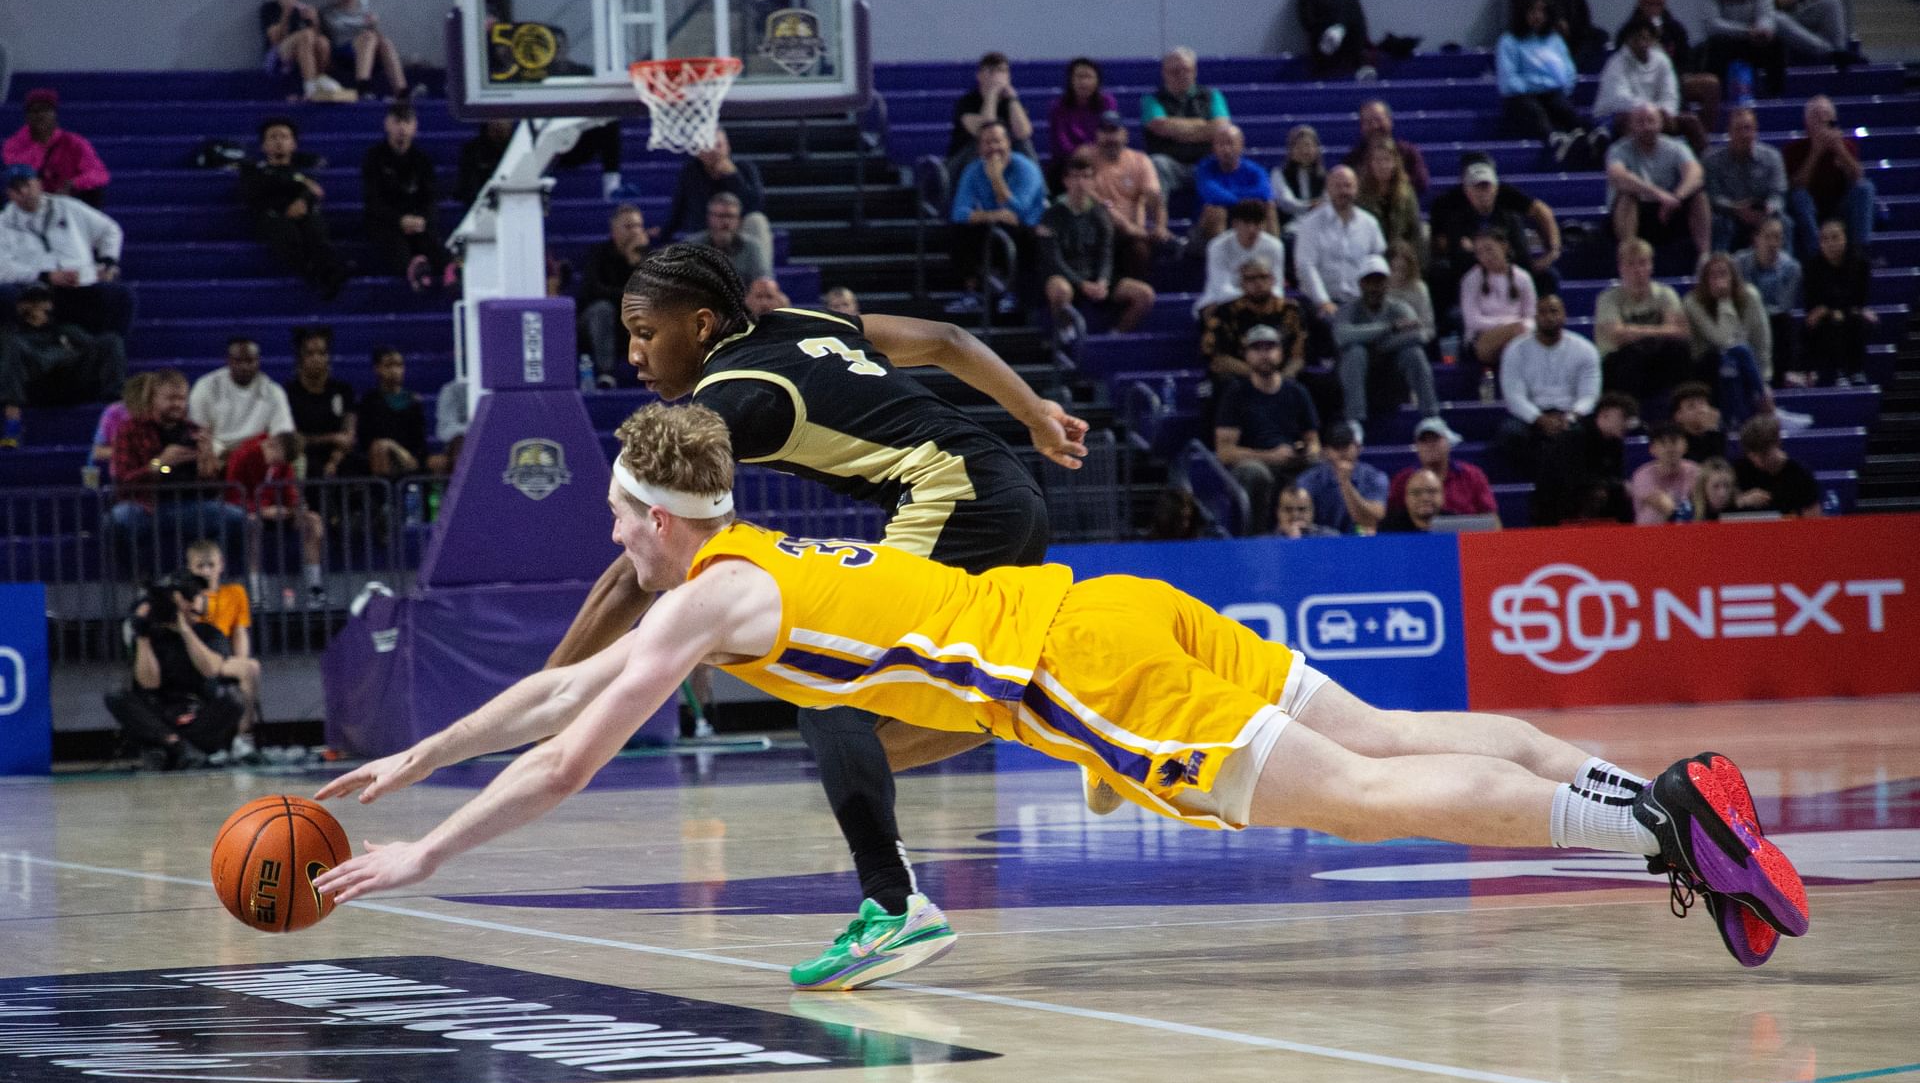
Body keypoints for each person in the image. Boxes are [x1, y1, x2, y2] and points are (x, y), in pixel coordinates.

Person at [316, 401, 1811, 975]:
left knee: (1359, 797)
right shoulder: (740, 559)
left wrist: (427, 855)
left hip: (1070, 672)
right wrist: (417, 754)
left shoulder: (708, 596)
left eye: (616, 520)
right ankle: (1665, 795)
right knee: (1396, 727)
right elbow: (552, 694)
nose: (610, 539)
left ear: (658, 516)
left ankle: (1674, 836)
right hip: (1103, 604)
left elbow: (575, 749)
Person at [537, 243, 1088, 991]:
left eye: (643, 332)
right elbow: (949, 343)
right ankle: (1082, 731)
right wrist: (1038, 414)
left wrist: (550, 687)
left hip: (949, 502)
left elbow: (642, 568)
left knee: (831, 691)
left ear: (700, 324)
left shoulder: (732, 399)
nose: (630, 353)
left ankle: (895, 907)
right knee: (935, 703)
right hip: (1010, 488)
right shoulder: (800, 320)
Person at [108, 369, 249, 569]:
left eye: (182, 398)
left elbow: (207, 487)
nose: (177, 404)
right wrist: (160, 464)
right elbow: (123, 481)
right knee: (116, 520)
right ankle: (135, 586)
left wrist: (208, 471)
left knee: (237, 518)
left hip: (189, 504)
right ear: (153, 398)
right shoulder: (130, 429)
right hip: (146, 505)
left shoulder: (194, 432)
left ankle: (214, 583)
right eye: (170, 398)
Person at [107, 571, 244, 772]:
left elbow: (211, 670)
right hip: (160, 715)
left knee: (234, 699)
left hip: (199, 714)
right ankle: (177, 745)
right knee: (116, 695)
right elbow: (149, 683)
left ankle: (176, 750)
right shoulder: (151, 635)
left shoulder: (208, 633)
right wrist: (143, 635)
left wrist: (185, 630)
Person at [0, 164, 133, 337]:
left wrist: (107, 262)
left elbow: (110, 230)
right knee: (5, 295)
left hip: (80, 284)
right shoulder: (3, 223)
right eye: (16, 189)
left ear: (39, 184)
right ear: (9, 195)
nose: (24, 192)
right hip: (35, 290)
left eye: (27, 184)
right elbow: (4, 269)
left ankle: (109, 353)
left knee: (121, 295)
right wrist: (46, 276)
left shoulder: (68, 207)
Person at [1214, 324, 1320, 533]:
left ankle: (1326, 538)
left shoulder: (1297, 392)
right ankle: (1256, 541)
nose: (1264, 355)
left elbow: (1314, 441)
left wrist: (1305, 452)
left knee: (1327, 471)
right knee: (1256, 473)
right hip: (1255, 463)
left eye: (1270, 348)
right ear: (1246, 355)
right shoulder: (1236, 393)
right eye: (1257, 349)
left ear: (1280, 353)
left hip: (1292, 462)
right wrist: (1271, 456)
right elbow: (1225, 453)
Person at [1038, 155, 1154, 343]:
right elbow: (1053, 259)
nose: (1081, 182)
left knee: (1144, 294)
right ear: (1066, 181)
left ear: (1093, 181)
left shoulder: (1100, 215)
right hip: (1068, 276)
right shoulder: (1052, 215)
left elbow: (1106, 253)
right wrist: (1080, 283)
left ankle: (1116, 336)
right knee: (1059, 289)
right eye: (1075, 177)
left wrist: (1103, 280)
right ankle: (1067, 336)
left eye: (1086, 177)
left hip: (1095, 276)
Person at [1426, 155, 1562, 313]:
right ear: (1467, 190)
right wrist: (1492, 254)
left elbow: (1522, 255)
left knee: (1548, 276)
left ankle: (1541, 320)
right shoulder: (1454, 215)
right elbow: (1455, 255)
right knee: (1439, 273)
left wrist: (1553, 249)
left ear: (1496, 188)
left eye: (1487, 187)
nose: (1483, 193)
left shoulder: (1510, 215)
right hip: (1470, 275)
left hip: (1509, 271)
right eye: (1477, 187)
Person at [0, 283, 126, 447]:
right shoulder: (11, 336)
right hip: (35, 388)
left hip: (69, 383)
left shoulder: (64, 330)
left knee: (111, 341)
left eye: (41, 301)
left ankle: (114, 413)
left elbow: (92, 349)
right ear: (20, 306)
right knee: (15, 349)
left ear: (50, 304)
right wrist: (62, 353)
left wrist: (66, 353)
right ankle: (12, 423)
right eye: (31, 302)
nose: (36, 307)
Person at [240, 118, 350, 300]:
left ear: (293, 144)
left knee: (315, 228)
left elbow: (315, 192)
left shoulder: (305, 170)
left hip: (303, 216)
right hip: (274, 218)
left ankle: (331, 272)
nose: (279, 141)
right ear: (263, 146)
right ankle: (317, 274)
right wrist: (296, 193)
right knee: (287, 233)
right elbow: (257, 194)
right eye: (273, 137)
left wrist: (303, 199)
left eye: (284, 136)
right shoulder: (255, 171)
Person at [1332, 254, 1437, 440]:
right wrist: (1390, 328)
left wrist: (1378, 346)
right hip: (1358, 377)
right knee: (1355, 352)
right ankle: (1354, 422)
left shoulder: (1399, 308)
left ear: (1387, 284)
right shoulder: (1349, 310)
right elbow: (1342, 336)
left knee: (1415, 353)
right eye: (1369, 282)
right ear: (1361, 284)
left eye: (1379, 282)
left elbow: (1418, 335)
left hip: (1392, 377)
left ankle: (1432, 418)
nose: (1374, 288)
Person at [947, 122, 1046, 315]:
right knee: (959, 230)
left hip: (1028, 229)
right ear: (980, 147)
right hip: (994, 224)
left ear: (1008, 143)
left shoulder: (1026, 169)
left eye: (997, 141)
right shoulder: (973, 170)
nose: (993, 147)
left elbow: (1020, 213)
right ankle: (972, 293)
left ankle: (1014, 293)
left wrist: (997, 180)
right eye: (987, 142)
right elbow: (959, 212)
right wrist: (994, 214)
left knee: (1020, 234)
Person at [225, 429, 328, 607]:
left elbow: (289, 492)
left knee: (313, 521)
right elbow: (232, 495)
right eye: (276, 460)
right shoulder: (243, 455)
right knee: (253, 524)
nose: (276, 464)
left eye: (281, 463)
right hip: (248, 511)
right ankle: (257, 595)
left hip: (277, 511)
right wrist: (262, 510)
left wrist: (295, 507)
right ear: (272, 444)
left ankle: (315, 589)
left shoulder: (283, 463)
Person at [1498, 293, 1600, 471]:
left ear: (1564, 315)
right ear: (1535, 317)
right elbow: (1514, 397)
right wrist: (1539, 419)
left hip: (1571, 414)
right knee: (1510, 434)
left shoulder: (1585, 349)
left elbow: (1589, 396)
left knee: (1589, 433)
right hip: (1531, 415)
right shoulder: (1515, 350)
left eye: (1554, 311)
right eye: (1543, 312)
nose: (1549, 317)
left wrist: (1570, 417)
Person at [184, 538, 265, 762]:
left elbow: (239, 631)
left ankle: (241, 737)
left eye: (211, 565)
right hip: (196, 656)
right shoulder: (188, 596)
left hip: (222, 656)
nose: (207, 571)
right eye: (200, 566)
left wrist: (241, 661)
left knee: (251, 667)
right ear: (190, 567)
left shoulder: (235, 593)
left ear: (221, 564)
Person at [1606, 103, 1711, 264]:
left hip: (1669, 212)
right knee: (1627, 196)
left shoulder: (1676, 147)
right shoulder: (1618, 150)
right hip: (1639, 214)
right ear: (1631, 125)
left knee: (1698, 194)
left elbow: (1695, 173)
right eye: (1640, 122)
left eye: (1651, 120)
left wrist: (1677, 196)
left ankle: (1704, 257)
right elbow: (1618, 176)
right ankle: (1629, 257)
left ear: (1661, 123)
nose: (1646, 127)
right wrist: (1658, 194)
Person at [1595, 239, 1693, 409]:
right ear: (1621, 268)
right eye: (1631, 264)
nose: (1637, 270)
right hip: (1620, 365)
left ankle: (1681, 409)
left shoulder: (1665, 294)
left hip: (1655, 362)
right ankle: (1630, 414)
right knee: (1630, 355)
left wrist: (1635, 332)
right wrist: (1660, 331)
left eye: (1643, 263)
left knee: (1679, 350)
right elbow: (1617, 336)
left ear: (1651, 266)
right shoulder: (1608, 298)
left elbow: (1681, 332)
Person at [362, 102, 450, 291]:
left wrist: (421, 219)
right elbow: (373, 200)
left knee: (430, 237)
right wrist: (399, 220)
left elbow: (430, 198)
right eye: (397, 122)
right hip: (387, 221)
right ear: (387, 124)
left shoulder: (422, 159)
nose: (402, 127)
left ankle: (448, 272)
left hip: (417, 220)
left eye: (406, 122)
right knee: (393, 239)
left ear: (414, 126)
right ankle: (414, 269)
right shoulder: (374, 157)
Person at [1618, 0, 1722, 136]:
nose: (1654, 9)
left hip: (1675, 79)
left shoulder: (1675, 29)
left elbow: (1687, 61)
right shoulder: (1627, 32)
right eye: (1649, 4)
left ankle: (1704, 134)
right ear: (1640, 2)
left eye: (1658, 4)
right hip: (1640, 84)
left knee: (1710, 84)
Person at [1498, 0, 1593, 163]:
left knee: (1562, 105)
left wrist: (1547, 85)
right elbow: (1508, 82)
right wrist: (1541, 84)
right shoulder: (1509, 41)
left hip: (1551, 93)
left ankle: (1588, 135)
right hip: (1522, 98)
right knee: (1533, 108)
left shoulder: (1554, 40)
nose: (1538, 16)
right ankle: (1554, 140)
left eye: (1542, 11)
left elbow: (1567, 74)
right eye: (1533, 11)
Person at [1593, 20, 1707, 158]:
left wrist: (1664, 113)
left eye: (1645, 38)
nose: (1641, 43)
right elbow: (1620, 99)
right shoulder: (1616, 64)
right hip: (1617, 117)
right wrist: (1651, 112)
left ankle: (1701, 167)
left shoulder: (1662, 61)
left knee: (1691, 121)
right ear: (1628, 40)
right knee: (1630, 121)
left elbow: (1670, 94)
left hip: (1658, 115)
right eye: (1636, 39)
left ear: (1652, 40)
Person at [1294, 166, 1387, 338]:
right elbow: (1306, 267)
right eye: (1338, 186)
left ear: (1356, 189)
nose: (1343, 191)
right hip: (1323, 303)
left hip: (1362, 301)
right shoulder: (1310, 224)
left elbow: (1378, 263)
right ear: (1328, 189)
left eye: (1348, 186)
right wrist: (1324, 302)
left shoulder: (1370, 224)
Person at [1685, 253, 1773, 428]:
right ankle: (1766, 408)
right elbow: (1723, 340)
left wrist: (1764, 378)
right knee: (1734, 354)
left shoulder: (1750, 296)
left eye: (1723, 273)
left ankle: (1736, 422)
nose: (1719, 280)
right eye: (1713, 275)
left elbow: (1761, 340)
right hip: (1706, 365)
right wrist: (1724, 301)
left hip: (1744, 367)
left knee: (1734, 359)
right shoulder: (1693, 302)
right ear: (1704, 279)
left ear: (1733, 276)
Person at [1783, 96, 1876, 262]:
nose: (1823, 120)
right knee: (1799, 197)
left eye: (1827, 114)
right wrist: (1815, 153)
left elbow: (1857, 176)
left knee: (1865, 188)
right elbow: (1796, 186)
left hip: (1839, 208)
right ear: (1807, 124)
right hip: (1809, 209)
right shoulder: (1793, 150)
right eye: (1817, 116)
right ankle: (1817, 254)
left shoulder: (1846, 146)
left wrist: (1840, 151)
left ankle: (1859, 253)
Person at [1086, 112, 1173, 282]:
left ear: (1125, 134)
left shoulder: (1140, 160)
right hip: (1096, 231)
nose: (1110, 138)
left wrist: (1160, 226)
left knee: (1141, 248)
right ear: (1097, 135)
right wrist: (1122, 223)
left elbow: (1155, 197)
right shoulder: (1086, 159)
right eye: (1105, 132)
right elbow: (1088, 195)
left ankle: (1136, 291)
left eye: (1114, 132)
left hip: (1131, 235)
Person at [663, 128, 770, 262]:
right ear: (698, 151)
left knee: (757, 220)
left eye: (718, 145)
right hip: (703, 234)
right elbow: (678, 211)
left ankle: (763, 278)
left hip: (736, 234)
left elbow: (755, 205)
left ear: (728, 147)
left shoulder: (744, 168)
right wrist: (662, 234)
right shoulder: (690, 172)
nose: (714, 150)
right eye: (707, 145)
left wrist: (733, 177)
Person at [1531, 392, 1636, 526]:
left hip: (1590, 496)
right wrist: (1611, 485)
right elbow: (1573, 478)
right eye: (1624, 417)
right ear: (1605, 414)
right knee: (1599, 493)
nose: (1626, 424)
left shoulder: (1615, 443)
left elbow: (1615, 475)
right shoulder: (1575, 437)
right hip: (1556, 505)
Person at [1140, 48, 1230, 201]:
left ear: (1194, 71)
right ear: (1164, 73)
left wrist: (1176, 130)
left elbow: (1221, 127)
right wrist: (1203, 125)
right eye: (1174, 71)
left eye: (1185, 70)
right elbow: (1160, 126)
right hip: (1170, 164)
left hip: (1205, 163)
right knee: (1156, 164)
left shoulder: (1213, 96)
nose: (1181, 75)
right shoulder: (1151, 99)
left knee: (1224, 161)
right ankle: (1158, 223)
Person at [577, 205, 652, 387]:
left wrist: (634, 264)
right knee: (603, 309)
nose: (634, 232)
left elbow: (653, 296)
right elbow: (592, 291)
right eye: (628, 227)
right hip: (597, 324)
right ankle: (606, 374)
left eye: (638, 226)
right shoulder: (598, 253)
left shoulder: (649, 258)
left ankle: (653, 371)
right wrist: (627, 298)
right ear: (614, 231)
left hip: (630, 324)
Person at [188, 335, 296, 461]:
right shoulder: (205, 386)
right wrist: (224, 454)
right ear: (228, 361)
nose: (244, 366)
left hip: (260, 458)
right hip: (216, 456)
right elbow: (197, 432)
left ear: (258, 361)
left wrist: (253, 455)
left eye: (250, 361)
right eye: (238, 361)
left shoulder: (274, 391)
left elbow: (282, 435)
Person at [1201, 258, 1304, 389]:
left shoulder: (1291, 311)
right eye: (1251, 279)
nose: (1258, 283)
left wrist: (1280, 379)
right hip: (1240, 378)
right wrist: (1259, 376)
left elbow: (1299, 356)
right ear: (1242, 283)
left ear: (1273, 280)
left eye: (1263, 277)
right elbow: (1217, 357)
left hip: (1283, 376)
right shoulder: (1224, 313)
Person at [3, 88, 109, 207]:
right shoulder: (14, 144)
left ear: (55, 114)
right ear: (27, 116)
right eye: (35, 111)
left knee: (94, 192)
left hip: (67, 201)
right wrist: (40, 146)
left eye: (45, 110)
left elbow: (99, 174)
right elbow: (20, 173)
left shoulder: (74, 142)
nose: (40, 115)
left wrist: (73, 184)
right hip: (31, 200)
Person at [1800, 218, 1875, 387]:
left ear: (1845, 238)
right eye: (1824, 239)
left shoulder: (1860, 264)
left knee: (1854, 321)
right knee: (1832, 322)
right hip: (1822, 325)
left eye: (1835, 237)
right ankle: (1836, 372)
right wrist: (1832, 310)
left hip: (1850, 317)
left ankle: (1856, 372)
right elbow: (1812, 308)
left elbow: (1859, 300)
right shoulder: (1812, 267)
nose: (1830, 243)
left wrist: (1832, 308)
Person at [1704, 107, 1788, 254]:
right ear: (1729, 131)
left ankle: (1785, 270)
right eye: (1738, 129)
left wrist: (1768, 208)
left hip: (1763, 214)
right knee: (1719, 223)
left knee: (1785, 223)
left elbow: (1778, 193)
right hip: (1729, 214)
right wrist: (1736, 209)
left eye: (1748, 128)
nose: (1744, 134)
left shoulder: (1772, 157)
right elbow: (1712, 196)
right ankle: (1718, 268)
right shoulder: (1712, 160)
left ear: (1756, 130)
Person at [945, 52, 1036, 182]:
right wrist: (992, 93)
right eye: (991, 71)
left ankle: (1043, 195)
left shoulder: (1012, 103)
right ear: (979, 76)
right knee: (983, 144)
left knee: (1023, 144)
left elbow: (1024, 133)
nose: (997, 76)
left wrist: (1012, 99)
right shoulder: (967, 102)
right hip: (964, 160)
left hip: (1003, 158)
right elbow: (987, 130)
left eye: (1002, 71)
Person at [1704, 0, 1786, 99]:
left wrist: (1763, 29)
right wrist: (1746, 31)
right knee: (1715, 47)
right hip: (1726, 40)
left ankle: (1775, 96)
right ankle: (1719, 98)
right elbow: (1713, 24)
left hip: (1754, 40)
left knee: (1775, 44)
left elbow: (1766, 13)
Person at [320, 0, 408, 99]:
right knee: (368, 37)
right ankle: (363, 86)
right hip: (342, 51)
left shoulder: (366, 12)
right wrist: (363, 27)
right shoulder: (329, 12)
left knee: (385, 42)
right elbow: (338, 30)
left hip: (368, 51)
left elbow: (377, 37)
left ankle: (401, 91)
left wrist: (373, 25)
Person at [1388, 416, 1497, 520]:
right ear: (1417, 447)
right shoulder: (1403, 480)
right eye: (1424, 441)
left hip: (1465, 537)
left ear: (1448, 442)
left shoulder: (1472, 475)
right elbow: (1391, 517)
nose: (1430, 445)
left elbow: (1491, 517)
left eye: (1435, 439)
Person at [260, 0, 343, 102]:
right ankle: (311, 87)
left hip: (304, 56)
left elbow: (323, 45)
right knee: (306, 35)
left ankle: (319, 79)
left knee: (322, 41)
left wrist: (315, 21)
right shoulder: (269, 8)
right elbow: (275, 39)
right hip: (278, 58)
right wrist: (286, 14)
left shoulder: (308, 9)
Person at [1734, 215, 1802, 382]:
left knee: (1783, 321)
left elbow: (1784, 305)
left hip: (1775, 320)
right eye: (1768, 236)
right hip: (1743, 319)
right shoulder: (1738, 263)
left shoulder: (1792, 268)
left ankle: (1780, 378)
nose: (1773, 243)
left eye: (1778, 237)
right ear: (1756, 239)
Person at [285, 326, 358, 478]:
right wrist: (331, 438)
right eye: (310, 354)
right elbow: (292, 439)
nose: (316, 358)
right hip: (304, 457)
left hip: (338, 457)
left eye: (322, 353)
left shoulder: (343, 390)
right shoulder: (288, 393)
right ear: (300, 358)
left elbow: (348, 435)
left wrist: (334, 461)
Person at [1459, 228, 1536, 372]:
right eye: (1479, 253)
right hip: (1481, 339)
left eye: (1489, 249)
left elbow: (1531, 316)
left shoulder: (1523, 277)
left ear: (1504, 246)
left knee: (1519, 341)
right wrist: (1508, 325)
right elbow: (1472, 321)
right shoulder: (1471, 279)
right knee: (1517, 334)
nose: (1486, 257)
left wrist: (1519, 327)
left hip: (1518, 335)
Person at [1507, 0, 1605, 68]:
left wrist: (1567, 26)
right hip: (1536, 37)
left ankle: (1569, 69)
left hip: (1573, 38)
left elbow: (1582, 11)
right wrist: (1552, 23)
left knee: (1597, 38)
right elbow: (1521, 13)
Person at [357, 347, 439, 478]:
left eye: (399, 365)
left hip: (409, 457)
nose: (395, 371)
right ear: (377, 369)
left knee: (439, 462)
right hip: (379, 456)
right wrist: (392, 446)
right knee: (380, 448)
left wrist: (411, 456)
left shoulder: (413, 401)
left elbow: (419, 440)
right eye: (388, 365)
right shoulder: (370, 400)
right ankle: (384, 496)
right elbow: (366, 439)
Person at [1196, 200, 1286, 316]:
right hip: (1222, 301)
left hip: (1263, 300)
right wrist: (1250, 295)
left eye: (1257, 223)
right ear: (1235, 224)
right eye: (1247, 223)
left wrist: (1259, 296)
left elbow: (1277, 287)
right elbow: (1221, 288)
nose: (1252, 229)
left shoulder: (1275, 246)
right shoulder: (1217, 246)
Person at [1293, 421, 1386, 534]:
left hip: (1361, 541)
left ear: (1357, 447)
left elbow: (1373, 518)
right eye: (1336, 447)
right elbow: (1298, 517)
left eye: (1346, 445)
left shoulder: (1374, 477)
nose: (1342, 452)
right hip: (1320, 542)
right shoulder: (1308, 480)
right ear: (1326, 451)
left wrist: (1345, 483)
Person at [1192, 123, 1275, 247]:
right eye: (1221, 144)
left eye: (1230, 143)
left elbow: (1265, 193)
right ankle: (1221, 257)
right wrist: (1245, 199)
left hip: (1246, 217)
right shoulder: (1205, 168)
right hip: (1207, 226)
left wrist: (1234, 197)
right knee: (1217, 210)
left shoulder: (1254, 170)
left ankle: (1270, 256)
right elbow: (1213, 196)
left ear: (1241, 145)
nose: (1226, 149)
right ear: (1214, 147)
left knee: (1268, 206)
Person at [1297, 0, 1377, 80]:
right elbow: (1308, 23)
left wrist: (1340, 27)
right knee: (1339, 18)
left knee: (1349, 16)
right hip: (1322, 47)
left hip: (1350, 43)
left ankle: (1359, 62)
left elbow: (1360, 23)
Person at [1733, 412, 1820, 516]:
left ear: (1777, 443)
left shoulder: (1800, 475)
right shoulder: (1739, 469)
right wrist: (1743, 501)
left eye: (1764, 454)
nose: (1757, 461)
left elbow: (1813, 518)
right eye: (1752, 455)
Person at [1047, 59, 1116, 187]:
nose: (1084, 82)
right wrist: (1077, 152)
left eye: (1088, 77)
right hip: (1068, 160)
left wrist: (1093, 151)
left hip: (1100, 156)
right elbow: (1060, 139)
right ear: (1071, 80)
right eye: (1079, 77)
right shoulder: (1058, 106)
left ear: (1097, 80)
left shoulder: (1107, 102)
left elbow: (1110, 132)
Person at [1341, 101, 1429, 197]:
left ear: (1390, 121)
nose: (1375, 126)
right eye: (1368, 122)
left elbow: (1421, 183)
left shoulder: (1408, 153)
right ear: (1361, 127)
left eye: (1379, 120)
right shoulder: (1353, 158)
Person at [1354, 140, 1421, 265]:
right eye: (1378, 160)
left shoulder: (1406, 193)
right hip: (1369, 258)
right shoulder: (1359, 195)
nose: (1382, 165)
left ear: (1395, 163)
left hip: (1400, 259)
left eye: (1387, 160)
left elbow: (1414, 229)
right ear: (1370, 164)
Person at [688, 193, 773, 292]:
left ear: (739, 220)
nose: (725, 222)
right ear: (709, 218)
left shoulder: (753, 248)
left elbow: (762, 284)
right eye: (720, 216)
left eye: (730, 216)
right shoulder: (692, 246)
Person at [1630, 422, 1701, 524]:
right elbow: (1665, 506)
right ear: (1652, 449)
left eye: (1674, 441)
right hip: (1649, 534)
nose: (1670, 448)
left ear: (1685, 445)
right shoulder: (1643, 475)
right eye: (1663, 443)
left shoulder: (1695, 471)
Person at [1272, 124, 1327, 232]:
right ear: (1291, 150)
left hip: (1319, 228)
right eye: (1299, 146)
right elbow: (1286, 202)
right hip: (1290, 229)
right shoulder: (1279, 174)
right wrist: (1310, 206)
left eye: (1308, 146)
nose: (1304, 151)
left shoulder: (1326, 176)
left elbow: (1327, 202)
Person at [1386, 240, 1434, 348]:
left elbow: (1428, 327)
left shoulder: (1419, 289)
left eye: (1402, 270)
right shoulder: (1381, 289)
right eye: (1393, 270)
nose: (1398, 275)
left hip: (1413, 340)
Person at [455, 119, 515, 206]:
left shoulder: (520, 148)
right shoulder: (472, 151)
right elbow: (467, 188)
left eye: (504, 119)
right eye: (495, 119)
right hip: (482, 205)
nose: (499, 124)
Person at [1671, 381, 1729, 462]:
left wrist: (1713, 431)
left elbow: (1721, 468)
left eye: (1702, 404)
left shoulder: (1720, 435)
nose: (1700, 410)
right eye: (1691, 406)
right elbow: (1708, 468)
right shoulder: (1676, 443)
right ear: (1678, 416)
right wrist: (1711, 431)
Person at [1378, 466, 1443, 533]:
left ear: (1442, 495)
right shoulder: (1388, 528)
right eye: (1416, 493)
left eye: (1431, 491)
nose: (1425, 498)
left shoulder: (1453, 524)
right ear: (1406, 499)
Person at [1274, 483, 1338, 539]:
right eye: (1288, 509)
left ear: (1312, 512)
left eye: (1301, 509)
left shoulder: (1331, 539)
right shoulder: (1267, 543)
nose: (1295, 514)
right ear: (1278, 512)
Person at [1691, 456, 1740, 521]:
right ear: (1703, 487)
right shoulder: (1688, 514)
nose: (1722, 493)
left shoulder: (1741, 512)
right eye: (1715, 486)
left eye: (1727, 486)